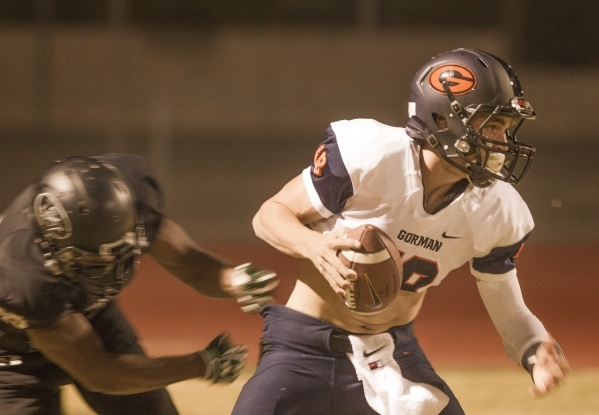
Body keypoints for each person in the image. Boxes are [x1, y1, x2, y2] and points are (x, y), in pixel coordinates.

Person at [231, 48, 570, 415]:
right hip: (302, 347)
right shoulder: (371, 157)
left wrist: (535, 352)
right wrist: (315, 246)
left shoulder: (496, 209)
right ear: (442, 120)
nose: (501, 143)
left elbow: (509, 310)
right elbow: (269, 214)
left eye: (506, 128)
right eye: (491, 125)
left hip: (391, 354)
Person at [0, 153, 279, 415]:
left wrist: (235, 279)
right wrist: (200, 364)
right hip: (14, 359)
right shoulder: (21, 277)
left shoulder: (124, 196)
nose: (114, 265)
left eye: (124, 249)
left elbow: (186, 260)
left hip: (87, 312)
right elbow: (101, 373)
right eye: (97, 261)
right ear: (55, 251)